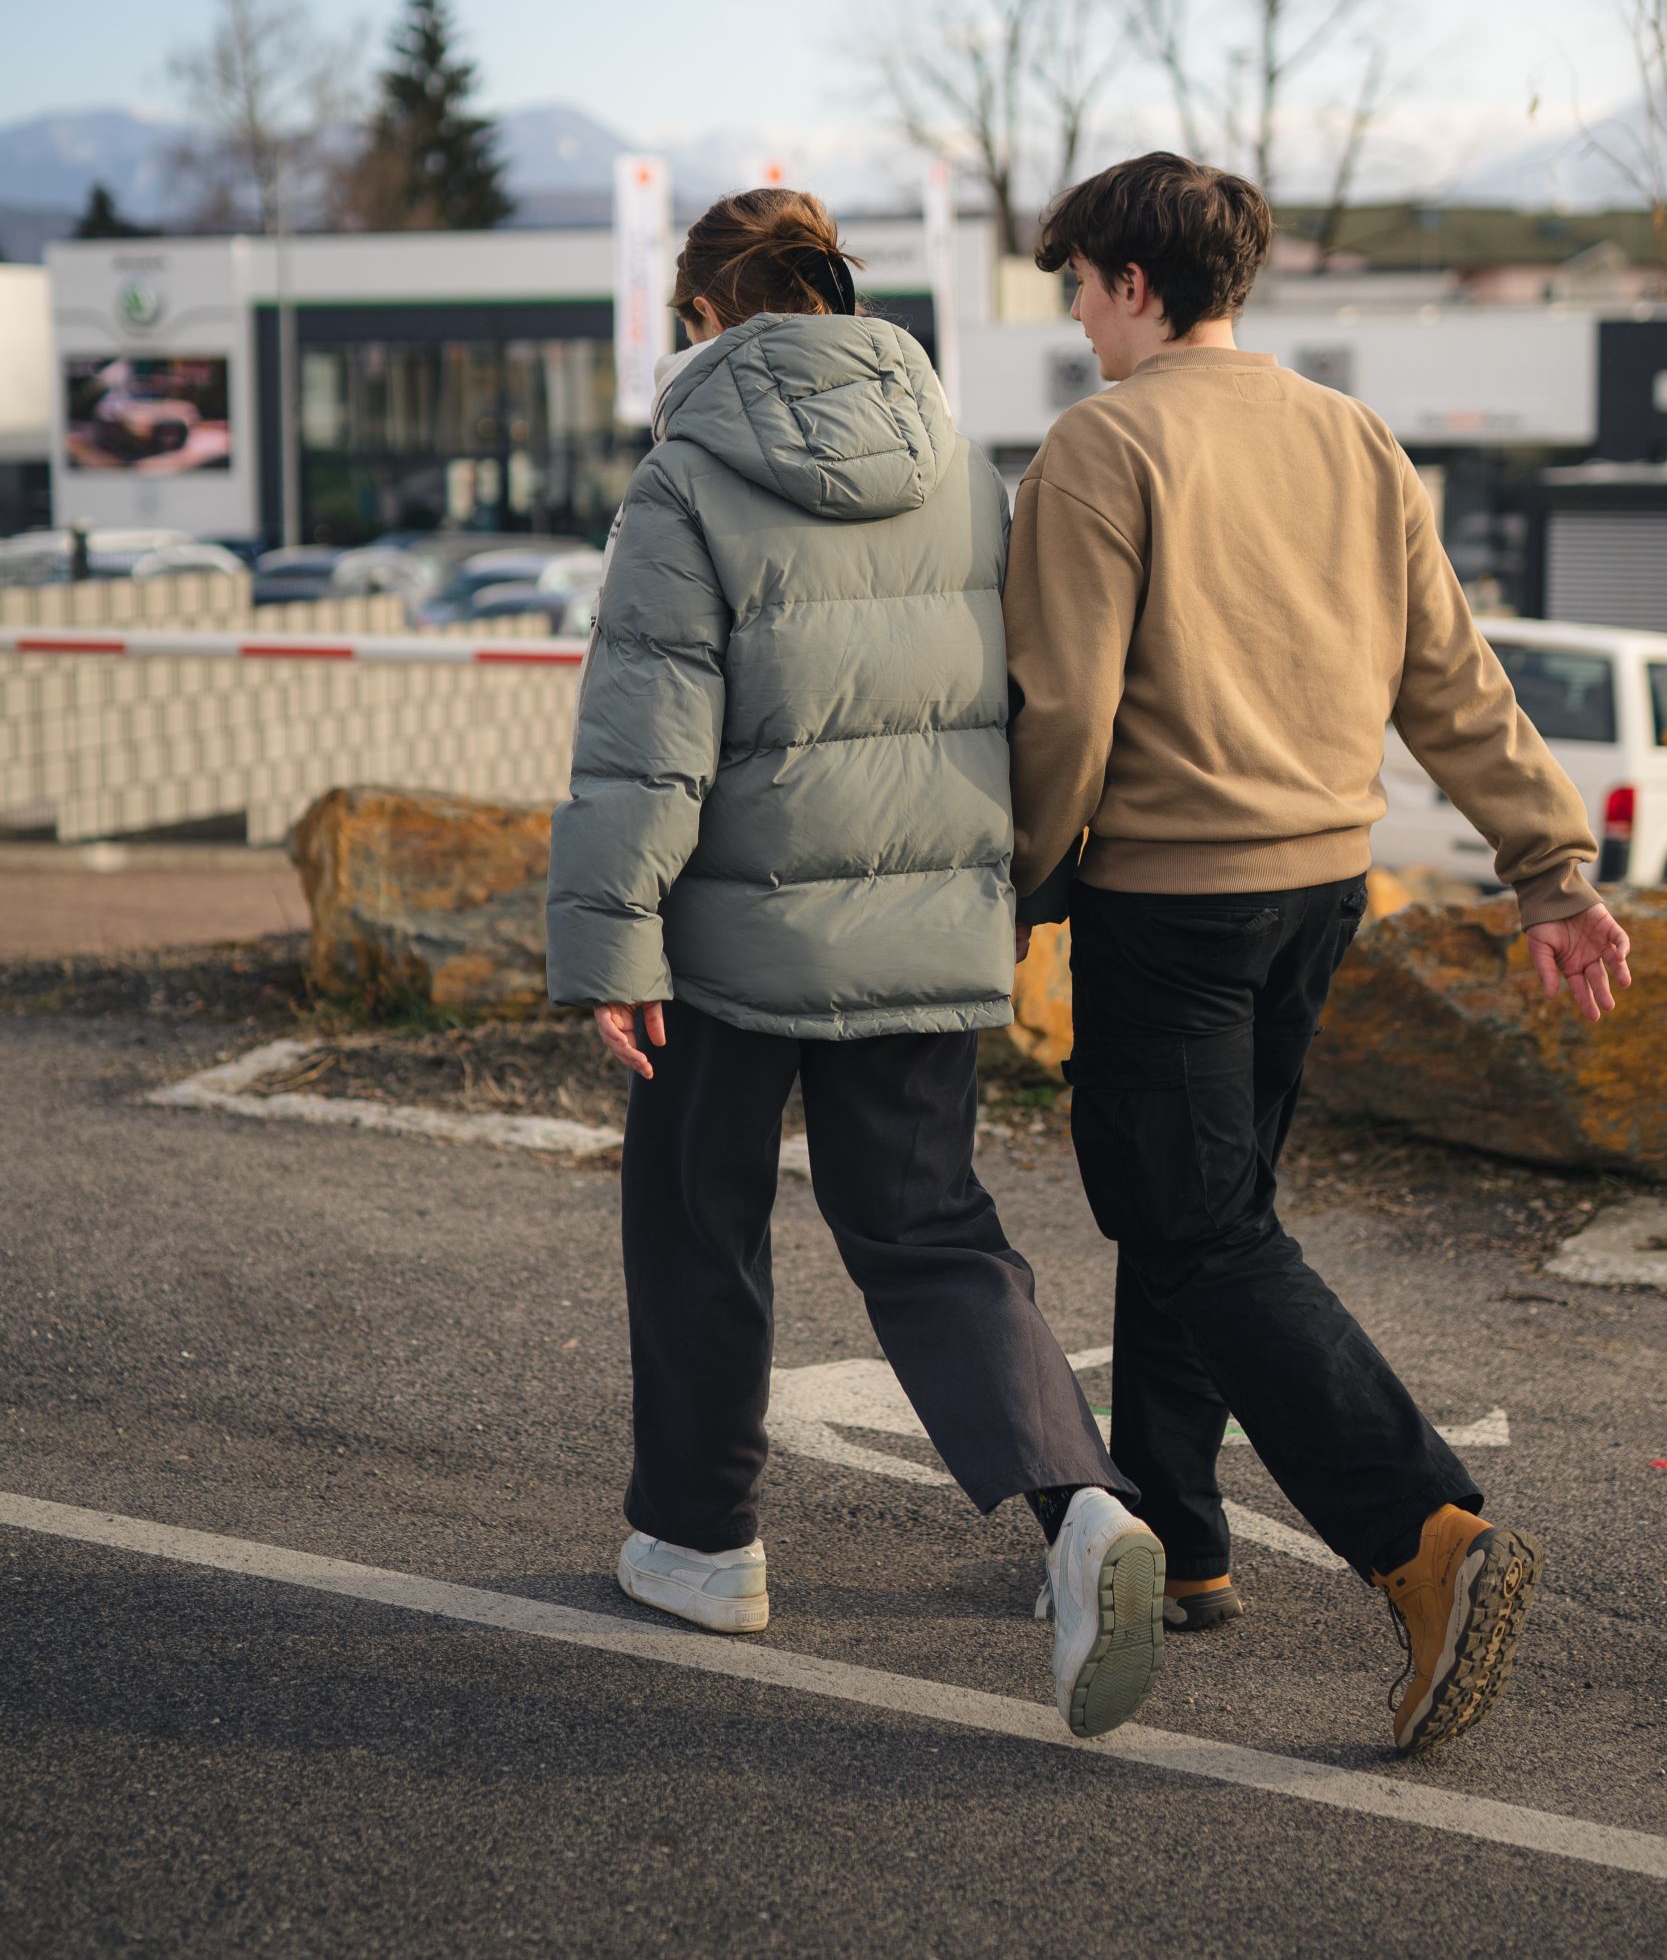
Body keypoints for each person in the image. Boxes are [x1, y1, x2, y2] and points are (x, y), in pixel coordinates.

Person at [1003, 151, 1633, 1757]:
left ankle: (1424, 1534)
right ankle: (1177, 1533)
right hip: (1321, 893)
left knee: (1197, 1222)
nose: (1076, 319)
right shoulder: (1351, 435)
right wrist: (1550, 865)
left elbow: (1064, 713)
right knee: (1204, 1208)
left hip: (1172, 903)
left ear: (1136, 283)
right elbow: (1451, 674)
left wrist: (1020, 888)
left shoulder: (1102, 447)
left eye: (1080, 286)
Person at [546, 187, 1166, 1739]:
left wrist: (612, 945)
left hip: (728, 939)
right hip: (927, 917)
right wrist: (1009, 892)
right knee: (931, 1230)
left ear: (704, 315)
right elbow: (1019, 694)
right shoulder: (959, 463)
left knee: (699, 1220)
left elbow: (648, 739)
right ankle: (1081, 1504)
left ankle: (701, 1544)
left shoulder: (687, 475)